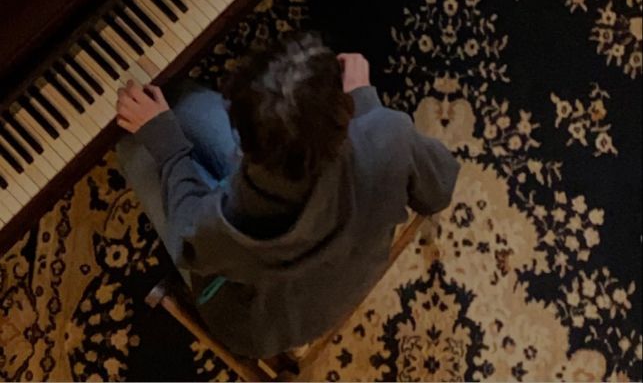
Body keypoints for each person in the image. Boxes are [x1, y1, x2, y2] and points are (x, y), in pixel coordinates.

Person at [116, 33, 459, 359]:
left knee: (133, 147)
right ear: (343, 111)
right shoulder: (387, 134)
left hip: (259, 325)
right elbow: (438, 190)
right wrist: (367, 103)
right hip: (337, 277)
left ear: (246, 149)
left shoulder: (230, 231)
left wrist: (171, 150)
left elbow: (186, 237)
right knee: (180, 99)